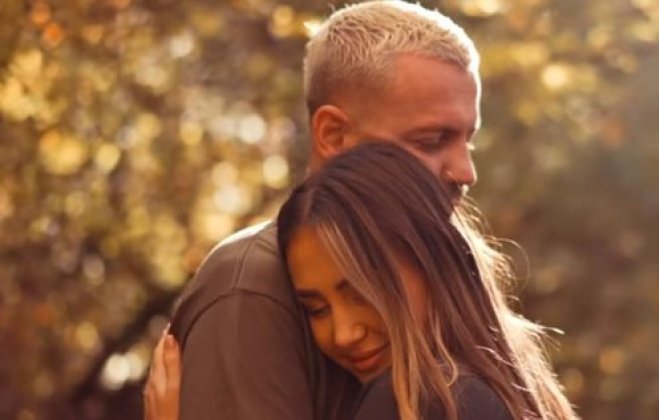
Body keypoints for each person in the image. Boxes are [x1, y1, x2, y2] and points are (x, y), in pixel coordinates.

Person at [156, 2, 485, 419]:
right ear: (334, 135)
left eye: (468, 141)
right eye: (430, 141)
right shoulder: (254, 285)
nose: (466, 172)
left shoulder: (446, 281)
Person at [149, 143, 579, 420]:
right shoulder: (502, 391)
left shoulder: (421, 402)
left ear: (430, 262)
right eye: (316, 309)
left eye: (361, 293)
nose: (344, 333)